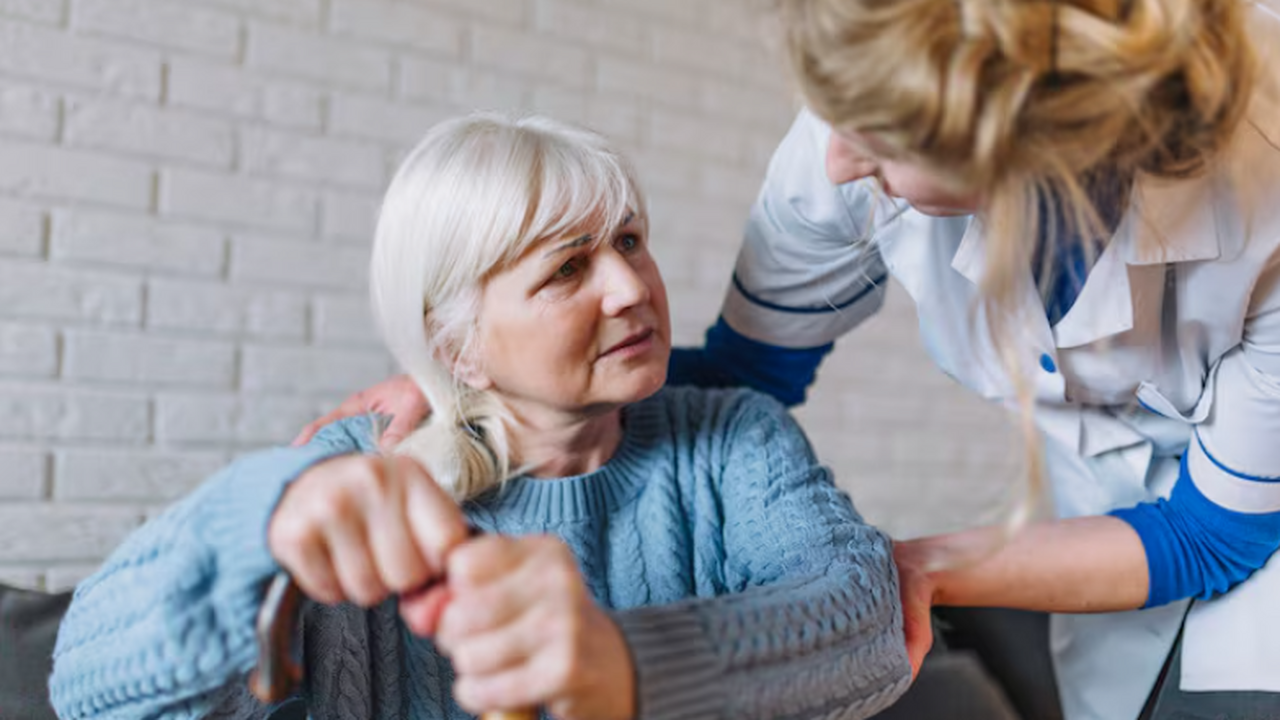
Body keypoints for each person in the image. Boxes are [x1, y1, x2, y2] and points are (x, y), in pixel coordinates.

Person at [298, 0, 1280, 718]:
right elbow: (741, 373)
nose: (837, 158)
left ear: (1011, 151)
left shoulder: (1262, 203)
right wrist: (471, 388)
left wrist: (909, 569)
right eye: (563, 270)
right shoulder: (846, 128)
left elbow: (1209, 535)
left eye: (630, 244)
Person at [48, 114, 914, 720]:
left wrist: (620, 664)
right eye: (567, 270)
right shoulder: (353, 482)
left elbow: (867, 621)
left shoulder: (733, 443)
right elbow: (88, 693)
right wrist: (248, 528)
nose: (630, 287)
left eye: (627, 240)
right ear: (453, 345)